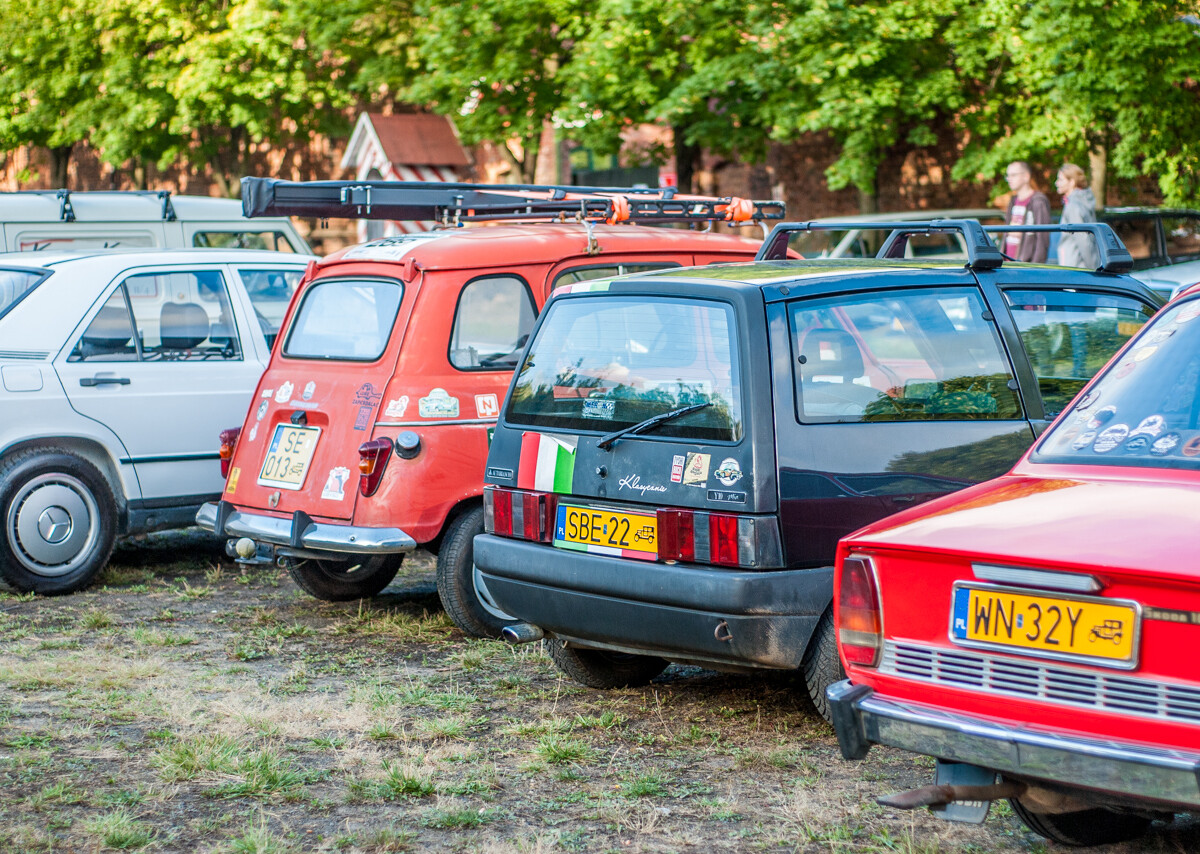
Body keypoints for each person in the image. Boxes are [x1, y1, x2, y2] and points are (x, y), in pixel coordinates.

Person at [1055, 162, 1100, 269]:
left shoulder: (1073, 206)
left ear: (1072, 182)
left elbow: (1083, 240)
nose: (1056, 183)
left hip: (1075, 268)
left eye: (1060, 180)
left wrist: (1093, 268)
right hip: (1079, 266)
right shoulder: (1082, 201)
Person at [1004, 161, 1051, 262]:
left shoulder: (1038, 202)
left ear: (1026, 177)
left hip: (1025, 266)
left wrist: (1035, 268)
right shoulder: (1013, 201)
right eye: (1007, 175)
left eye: (1013, 175)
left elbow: (1042, 240)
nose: (1009, 179)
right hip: (1008, 264)